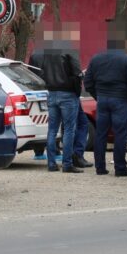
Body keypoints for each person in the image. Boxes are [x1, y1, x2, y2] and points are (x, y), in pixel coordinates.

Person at [84, 27, 127, 177]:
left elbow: (88, 81)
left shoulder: (96, 59)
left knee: (101, 134)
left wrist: (97, 96)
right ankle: (120, 168)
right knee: (120, 135)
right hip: (121, 100)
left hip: (102, 100)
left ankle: (100, 167)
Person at [28, 30, 86, 173]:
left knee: (52, 129)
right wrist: (79, 85)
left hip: (51, 93)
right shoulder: (69, 51)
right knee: (69, 129)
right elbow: (77, 73)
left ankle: (51, 163)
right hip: (67, 94)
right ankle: (67, 164)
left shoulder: (47, 53)